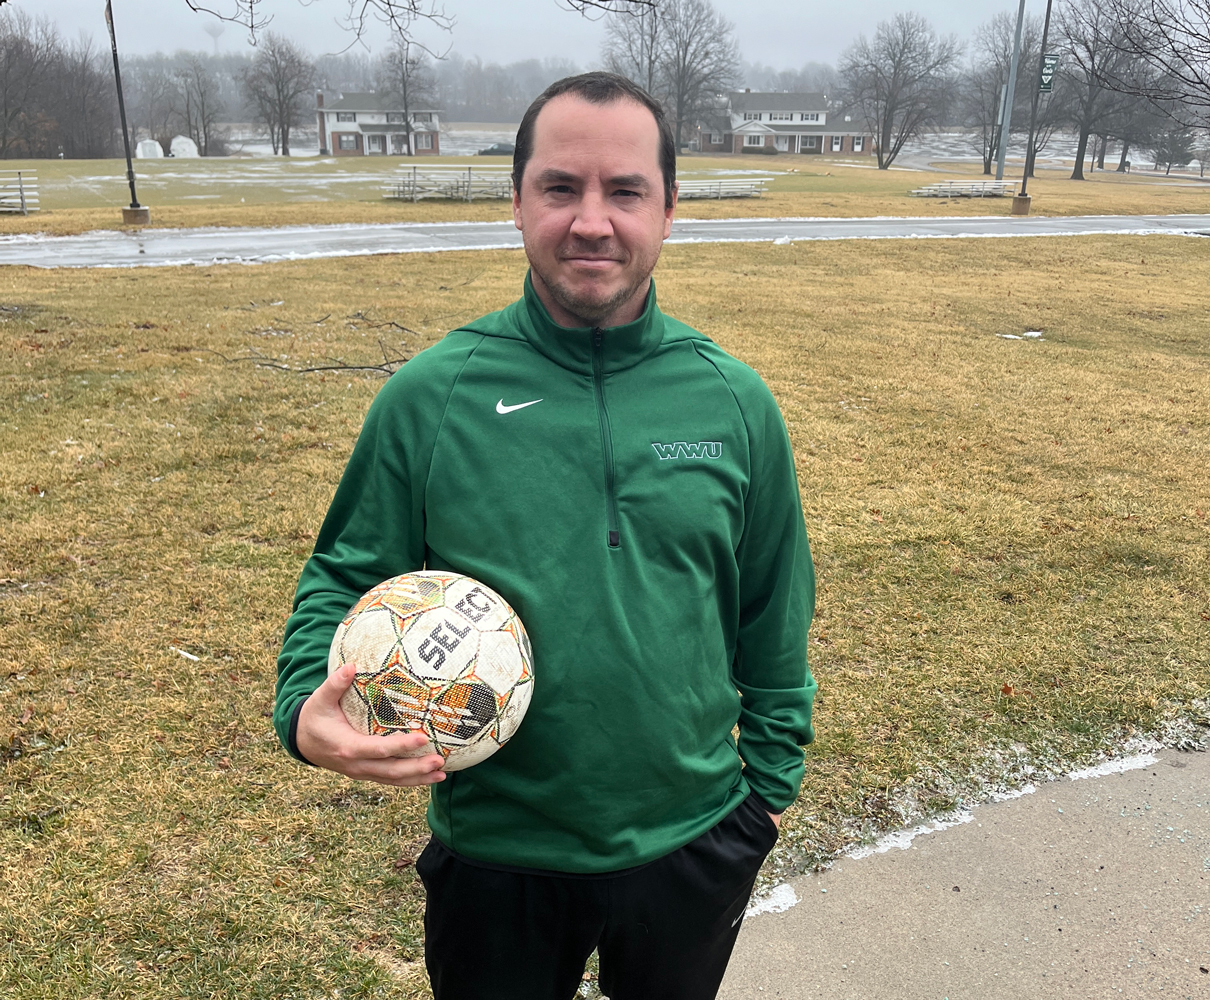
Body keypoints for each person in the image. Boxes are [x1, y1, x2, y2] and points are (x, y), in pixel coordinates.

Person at [274, 72, 816, 1000]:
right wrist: (302, 708)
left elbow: (772, 607)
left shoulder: (732, 401)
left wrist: (763, 796)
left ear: (670, 209)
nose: (592, 222)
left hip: (695, 839)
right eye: (561, 188)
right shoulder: (433, 396)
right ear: (517, 202)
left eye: (625, 191)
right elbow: (344, 571)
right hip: (499, 852)